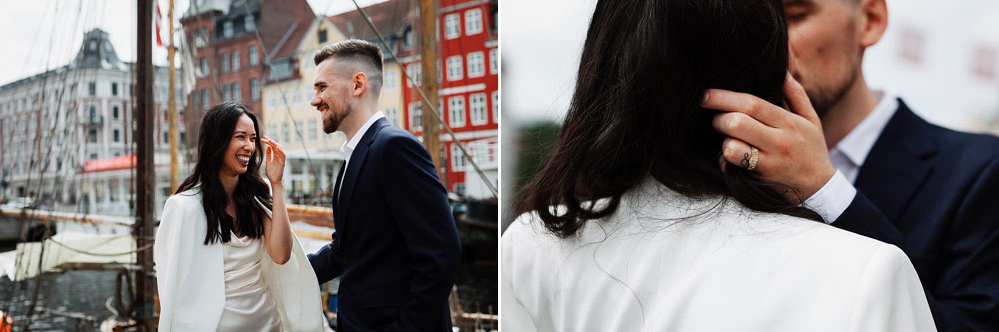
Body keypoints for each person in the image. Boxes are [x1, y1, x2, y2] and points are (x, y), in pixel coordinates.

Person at [501, 0, 935, 331]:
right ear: (766, 62)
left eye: (797, 15)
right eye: (779, 22)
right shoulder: (869, 273)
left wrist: (826, 190)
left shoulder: (530, 245)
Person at [700, 0, 999, 329]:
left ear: (870, 20)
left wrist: (825, 191)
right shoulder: (719, 163)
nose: (769, 45)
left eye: (795, 16)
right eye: (757, 22)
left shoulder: (978, 170)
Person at [306, 39, 462, 331]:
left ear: (357, 84)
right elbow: (345, 250)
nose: (314, 100)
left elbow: (442, 252)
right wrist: (285, 274)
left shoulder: (394, 148)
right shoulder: (353, 158)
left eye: (321, 87)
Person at [154, 102, 324, 331]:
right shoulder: (182, 208)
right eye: (240, 137)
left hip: (268, 323)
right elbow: (171, 285)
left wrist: (277, 183)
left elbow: (281, 254)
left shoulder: (255, 197)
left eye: (253, 138)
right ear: (218, 141)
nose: (249, 146)